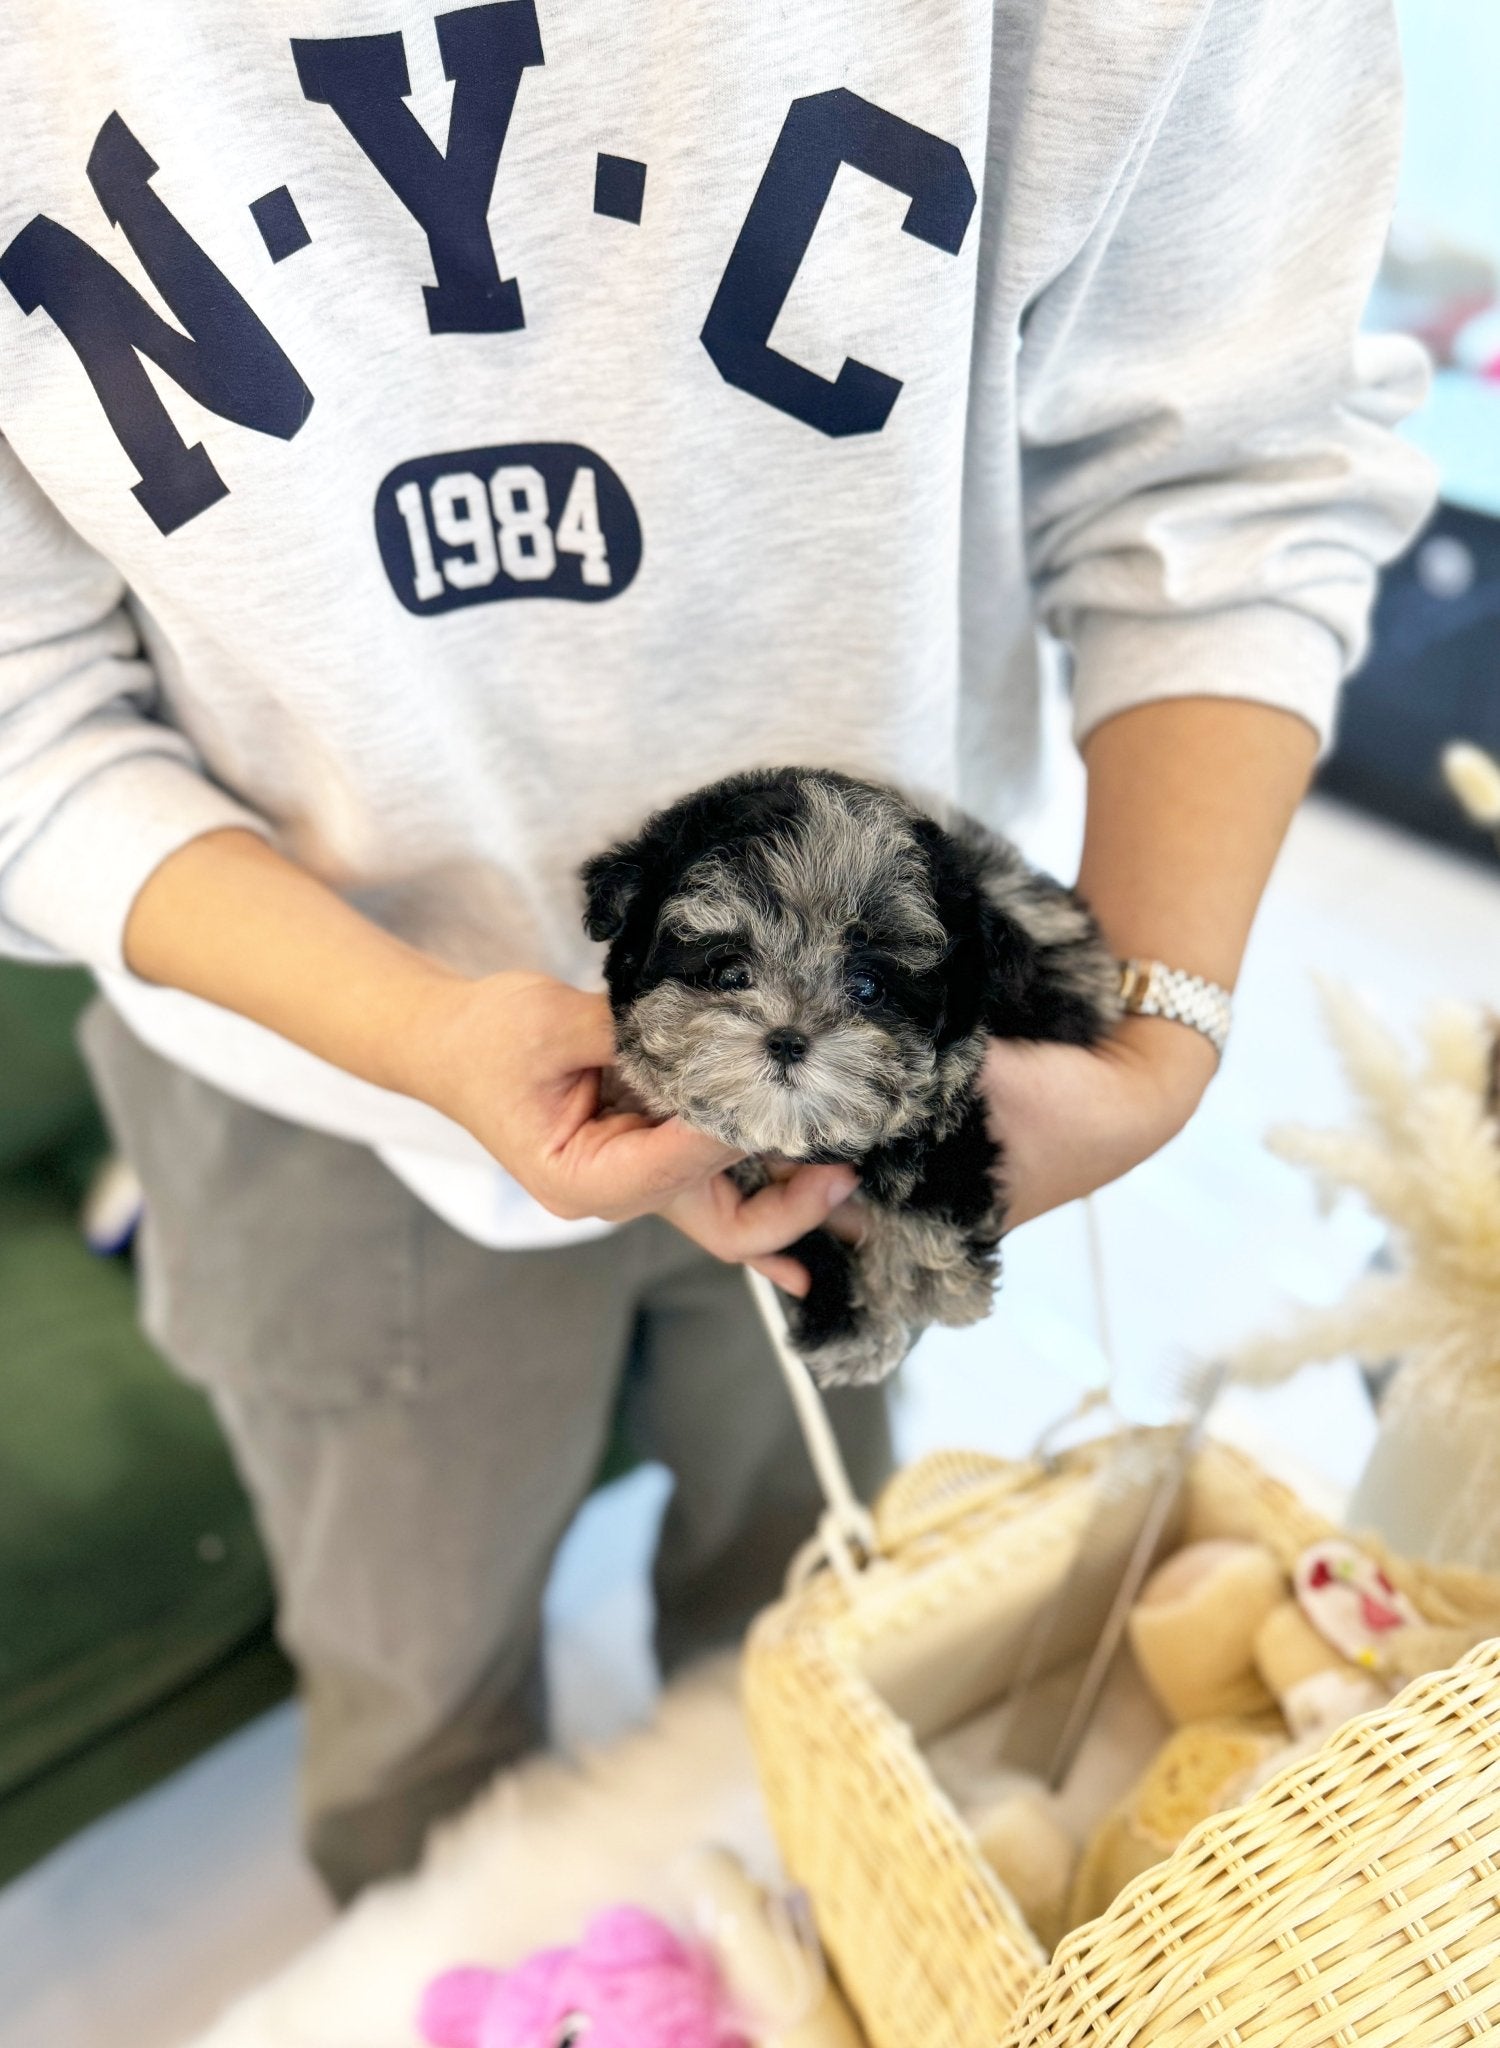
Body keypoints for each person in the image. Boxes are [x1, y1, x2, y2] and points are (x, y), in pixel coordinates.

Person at [0, 0, 1432, 1900]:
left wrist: (1155, 1029)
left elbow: (1232, 472)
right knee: (415, 1693)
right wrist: (410, 1031)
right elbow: (28, 702)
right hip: (318, 1097)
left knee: (807, 1605)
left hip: (889, 1095)